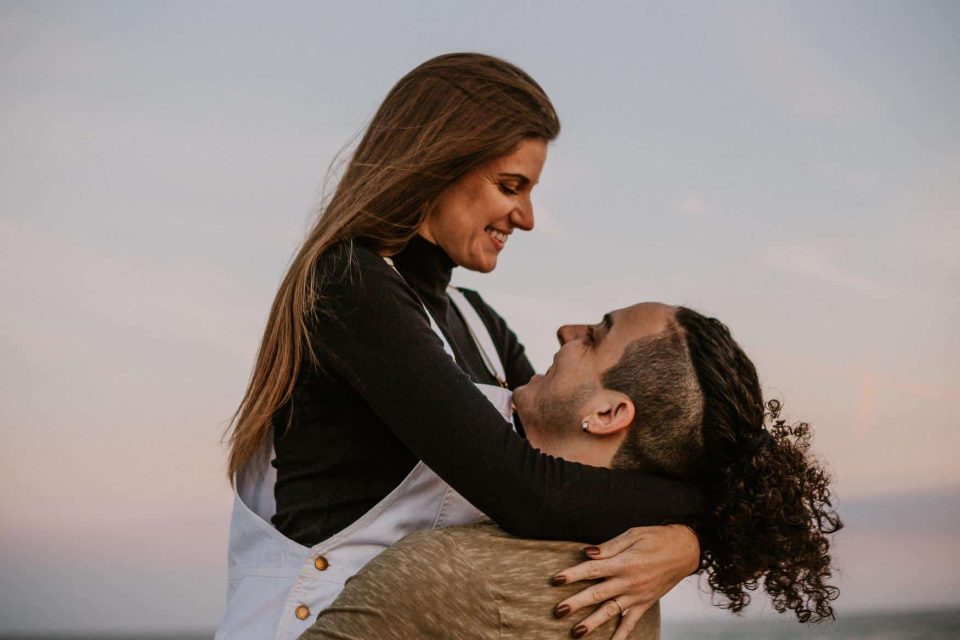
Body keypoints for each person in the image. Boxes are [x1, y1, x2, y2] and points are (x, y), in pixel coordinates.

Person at [217, 54, 703, 640]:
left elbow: (571, 462)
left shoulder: (479, 323)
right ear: (436, 165)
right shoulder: (349, 286)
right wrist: (699, 527)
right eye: (510, 186)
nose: (524, 217)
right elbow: (527, 490)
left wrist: (688, 540)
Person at [300, 303, 842, 640]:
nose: (566, 330)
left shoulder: (443, 573)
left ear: (607, 414)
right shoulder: (637, 595)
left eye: (596, 335)